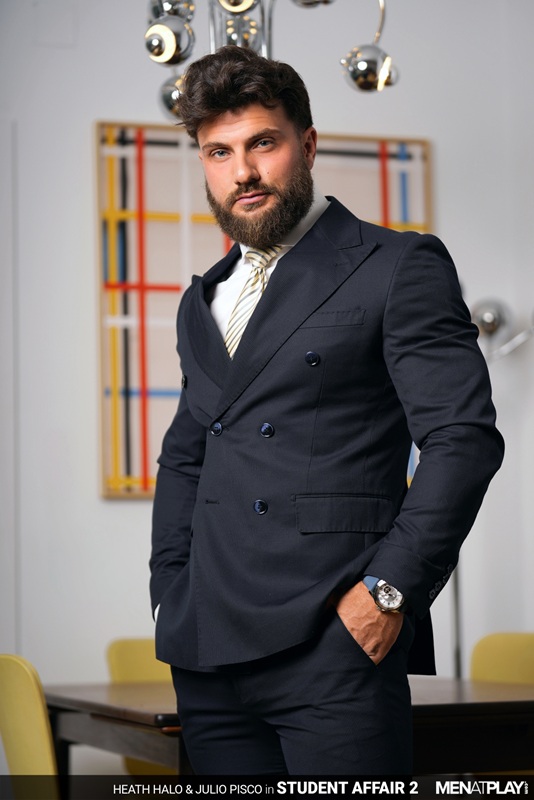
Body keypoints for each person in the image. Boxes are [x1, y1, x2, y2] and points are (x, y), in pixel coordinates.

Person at [149, 45, 504, 775]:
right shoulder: (201, 299)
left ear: (306, 145)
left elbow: (462, 439)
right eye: (219, 152)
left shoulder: (397, 265)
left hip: (332, 645)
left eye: (262, 143)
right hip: (206, 650)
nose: (242, 172)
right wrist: (169, 589)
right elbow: (187, 453)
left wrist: (388, 593)